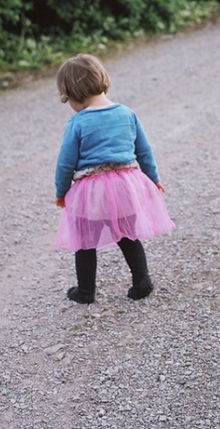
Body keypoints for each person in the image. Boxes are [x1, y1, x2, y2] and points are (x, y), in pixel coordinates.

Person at [53, 53, 175, 304]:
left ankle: (85, 291)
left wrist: (61, 191)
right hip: (126, 186)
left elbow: (65, 163)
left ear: (75, 93)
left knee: (85, 240)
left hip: (92, 191)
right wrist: (153, 178)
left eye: (67, 99)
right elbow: (144, 150)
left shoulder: (77, 123)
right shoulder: (127, 113)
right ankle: (142, 281)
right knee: (128, 235)